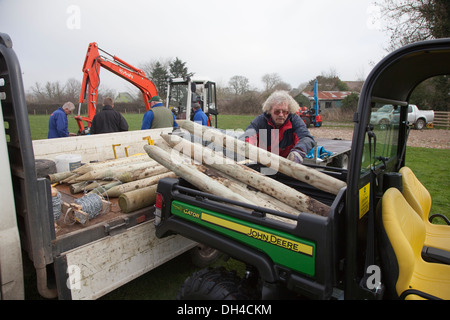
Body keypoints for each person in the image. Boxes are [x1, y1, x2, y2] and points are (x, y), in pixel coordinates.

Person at [243, 90, 315, 163]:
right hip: (263, 163)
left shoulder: (295, 121)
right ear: (269, 110)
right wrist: (250, 148)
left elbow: (306, 138)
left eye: (284, 111)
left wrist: (298, 152)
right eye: (277, 111)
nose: (281, 115)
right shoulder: (260, 122)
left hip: (286, 164)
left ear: (289, 110)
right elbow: (249, 135)